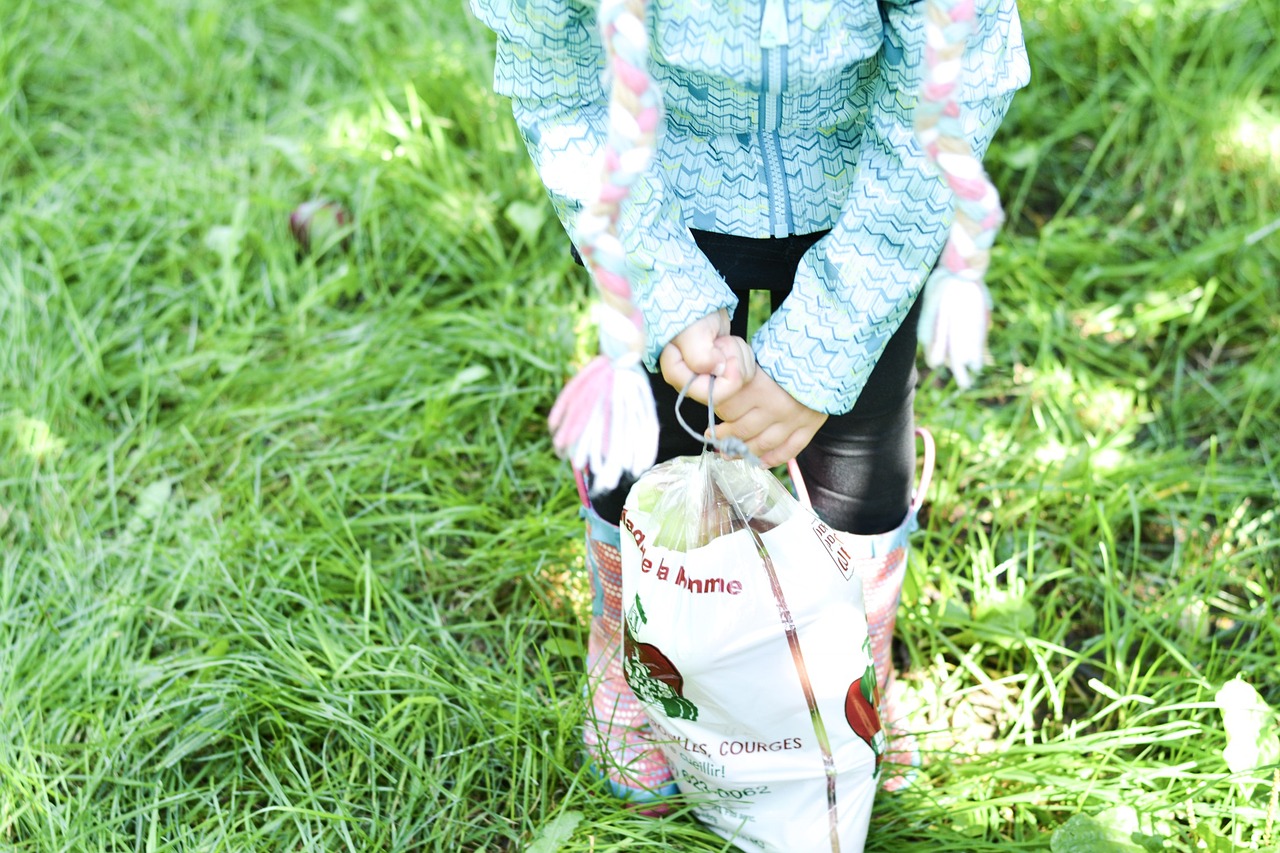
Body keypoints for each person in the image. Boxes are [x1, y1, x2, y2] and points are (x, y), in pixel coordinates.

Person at [471, 0, 1029, 805]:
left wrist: (822, 350)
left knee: (858, 442)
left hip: (871, 192)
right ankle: (637, 653)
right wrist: (661, 288)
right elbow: (557, 74)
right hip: (658, 181)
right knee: (659, 438)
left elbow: (952, 83)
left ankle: (849, 666)